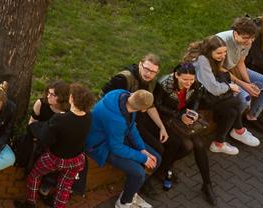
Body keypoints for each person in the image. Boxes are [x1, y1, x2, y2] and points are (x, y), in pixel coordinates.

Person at [148, 63, 219, 205]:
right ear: (176, 75)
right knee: (187, 146)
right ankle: (163, 168)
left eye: (191, 79)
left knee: (199, 145)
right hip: (166, 117)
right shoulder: (164, 84)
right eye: (185, 79)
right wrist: (179, 115)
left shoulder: (195, 85)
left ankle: (207, 184)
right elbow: (158, 105)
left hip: (182, 118)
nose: (188, 83)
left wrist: (192, 113)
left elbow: (196, 101)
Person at [18, 83, 95, 208]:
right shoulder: (89, 116)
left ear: (72, 99)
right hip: (77, 160)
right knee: (64, 186)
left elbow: (45, 139)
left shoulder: (60, 118)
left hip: (56, 158)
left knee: (34, 175)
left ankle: (30, 203)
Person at [85, 87, 158, 208]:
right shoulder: (117, 121)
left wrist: (142, 149)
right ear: (144, 109)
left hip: (114, 136)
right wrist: (143, 158)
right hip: (100, 145)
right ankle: (123, 203)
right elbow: (116, 148)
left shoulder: (122, 95)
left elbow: (131, 127)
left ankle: (131, 193)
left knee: (156, 159)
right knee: (138, 173)